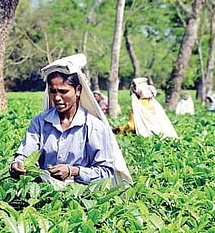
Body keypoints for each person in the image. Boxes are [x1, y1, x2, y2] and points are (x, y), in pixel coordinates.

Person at [9, 54, 132, 186]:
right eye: (52, 91)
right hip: (44, 193)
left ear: (78, 90)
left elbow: (106, 172)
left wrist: (73, 171)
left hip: (81, 196)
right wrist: (17, 163)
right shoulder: (40, 122)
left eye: (63, 91)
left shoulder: (94, 126)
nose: (56, 97)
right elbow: (26, 154)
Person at [114, 77, 178, 139]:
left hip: (146, 138)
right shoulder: (155, 104)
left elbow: (132, 126)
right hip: (162, 137)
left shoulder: (137, 106)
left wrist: (119, 130)